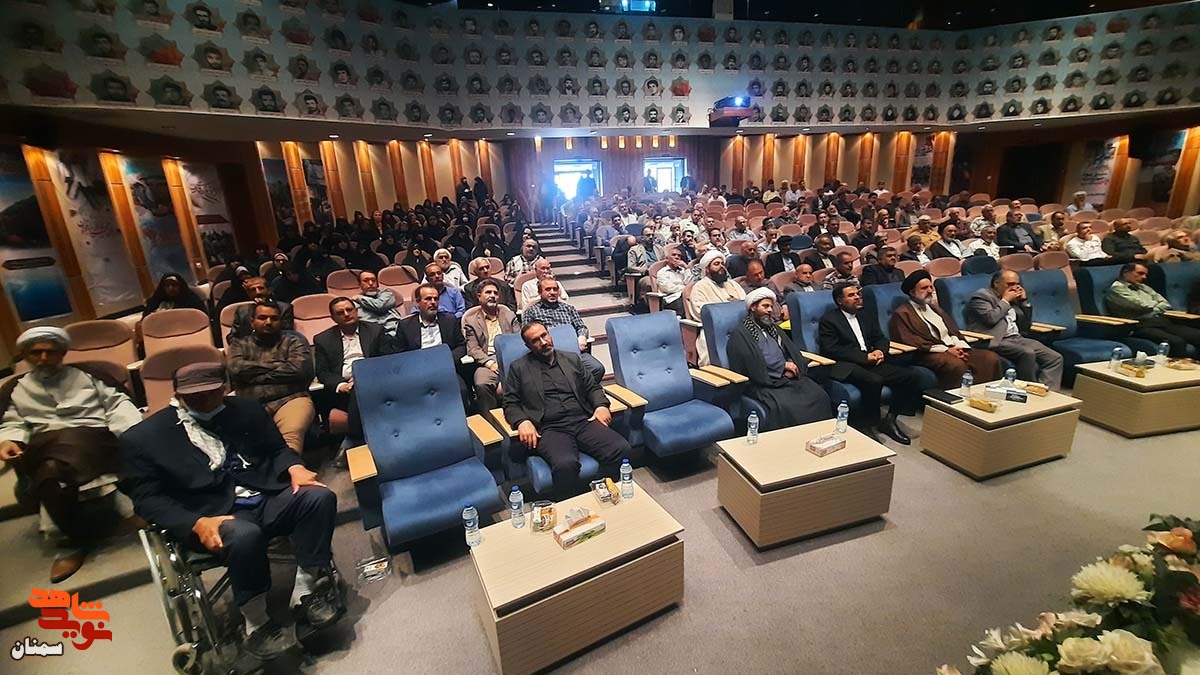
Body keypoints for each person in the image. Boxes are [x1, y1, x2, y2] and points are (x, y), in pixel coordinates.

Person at [120, 363, 341, 662]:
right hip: (209, 512)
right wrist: (194, 522)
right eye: (193, 396)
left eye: (210, 394)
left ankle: (305, 592)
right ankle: (256, 623)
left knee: (318, 497)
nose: (203, 401)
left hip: (264, 494)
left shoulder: (246, 410)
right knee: (244, 534)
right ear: (178, 395)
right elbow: (147, 500)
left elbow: (277, 450)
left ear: (224, 389)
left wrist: (294, 467)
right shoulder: (142, 438)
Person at [1, 327, 143, 582]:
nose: (43, 358)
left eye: (50, 352)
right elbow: (13, 423)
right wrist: (8, 441)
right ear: (25, 355)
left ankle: (69, 544)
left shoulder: (89, 376)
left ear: (63, 353)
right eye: (36, 353)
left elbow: (118, 404)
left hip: (95, 437)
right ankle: (116, 517)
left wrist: (130, 430)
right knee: (52, 466)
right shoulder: (16, 388)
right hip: (44, 446)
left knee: (54, 467)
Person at [502, 322, 631, 500]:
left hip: (582, 420)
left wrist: (601, 406)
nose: (543, 342)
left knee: (620, 448)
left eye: (544, 335)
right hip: (550, 428)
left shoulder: (571, 359)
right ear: (528, 346)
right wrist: (522, 421)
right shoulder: (519, 368)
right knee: (565, 464)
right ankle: (568, 504)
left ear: (549, 334)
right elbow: (510, 402)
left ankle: (605, 494)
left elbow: (592, 388)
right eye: (535, 340)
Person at [817, 284, 920, 444]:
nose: (857, 297)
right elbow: (831, 349)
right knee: (874, 380)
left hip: (870, 360)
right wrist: (865, 358)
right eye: (851, 295)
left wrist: (880, 351)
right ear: (840, 301)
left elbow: (880, 338)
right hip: (846, 364)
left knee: (909, 376)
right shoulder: (829, 320)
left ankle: (890, 419)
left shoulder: (865, 315)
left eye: (858, 294)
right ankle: (868, 424)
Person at [726, 289, 831, 430]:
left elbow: (791, 350)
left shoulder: (774, 328)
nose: (770, 310)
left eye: (771, 306)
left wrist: (792, 363)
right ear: (753, 307)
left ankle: (821, 435)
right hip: (763, 383)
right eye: (765, 306)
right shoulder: (741, 334)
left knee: (819, 395)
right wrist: (782, 367)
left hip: (787, 378)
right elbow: (749, 362)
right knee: (787, 406)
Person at [227, 303, 316, 454]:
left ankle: (290, 466)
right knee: (248, 447)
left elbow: (299, 370)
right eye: (262, 318)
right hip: (249, 403)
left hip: (290, 399)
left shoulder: (294, 341)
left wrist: (252, 376)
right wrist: (280, 365)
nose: (268, 322)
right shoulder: (239, 344)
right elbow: (236, 369)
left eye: (274, 318)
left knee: (290, 440)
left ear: (280, 322)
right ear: (252, 322)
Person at [889, 271, 1002, 388]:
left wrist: (959, 347)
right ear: (912, 292)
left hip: (951, 348)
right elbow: (912, 341)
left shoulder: (935, 308)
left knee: (989, 358)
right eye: (924, 288)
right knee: (956, 365)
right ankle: (952, 397)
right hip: (926, 354)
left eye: (931, 287)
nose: (930, 291)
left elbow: (952, 331)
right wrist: (946, 350)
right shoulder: (902, 313)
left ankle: (983, 394)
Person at [964, 271, 1064, 390]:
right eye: (1010, 284)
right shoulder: (982, 297)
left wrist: (1024, 302)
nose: (1015, 288)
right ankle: (1029, 391)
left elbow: (1026, 326)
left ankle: (1048, 392)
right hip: (994, 339)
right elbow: (991, 318)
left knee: (1054, 358)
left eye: (1017, 284)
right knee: (1027, 353)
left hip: (1016, 338)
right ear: (996, 283)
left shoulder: (1014, 299)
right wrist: (1006, 301)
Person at [313, 296, 392, 446]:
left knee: (359, 387)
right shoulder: (323, 339)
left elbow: (385, 361)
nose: (346, 314)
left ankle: (353, 440)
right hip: (344, 391)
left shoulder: (375, 331)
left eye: (349, 310)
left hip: (373, 382)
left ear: (356, 311)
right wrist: (340, 385)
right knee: (356, 390)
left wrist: (361, 379)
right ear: (333, 318)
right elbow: (322, 372)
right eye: (340, 312)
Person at [394, 284, 471, 402]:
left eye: (436, 299)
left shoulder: (449, 320)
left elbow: (461, 345)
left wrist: (448, 358)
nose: (433, 302)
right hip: (418, 372)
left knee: (462, 391)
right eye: (428, 299)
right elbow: (400, 354)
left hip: (445, 369)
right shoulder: (405, 325)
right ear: (418, 303)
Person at [1105, 262, 1200, 357]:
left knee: (1197, 335)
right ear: (1126, 272)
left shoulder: (1143, 287)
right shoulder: (1117, 289)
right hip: (1139, 325)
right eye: (1140, 273)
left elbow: (1165, 303)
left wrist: (1154, 307)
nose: (1144, 277)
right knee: (1177, 342)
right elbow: (1143, 306)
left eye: (1145, 274)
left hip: (1161, 322)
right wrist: (1157, 306)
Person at [523, 277, 606, 383]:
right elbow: (527, 335)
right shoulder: (531, 311)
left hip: (573, 351)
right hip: (548, 352)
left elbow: (581, 327)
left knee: (597, 368)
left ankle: (580, 390)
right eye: (548, 289)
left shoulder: (568, 308)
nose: (552, 292)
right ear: (540, 292)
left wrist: (582, 337)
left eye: (555, 289)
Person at [462, 279, 521, 411]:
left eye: (495, 293)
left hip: (511, 358)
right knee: (482, 384)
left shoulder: (508, 314)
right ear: (479, 296)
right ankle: (490, 419)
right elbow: (473, 349)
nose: (493, 295)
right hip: (487, 360)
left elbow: (518, 339)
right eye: (488, 292)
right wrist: (490, 364)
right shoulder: (471, 320)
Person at [689, 250, 746, 366]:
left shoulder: (733, 284)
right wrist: (729, 310)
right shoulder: (699, 287)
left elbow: (745, 304)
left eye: (722, 264)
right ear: (707, 269)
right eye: (716, 264)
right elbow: (700, 312)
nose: (721, 267)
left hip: (739, 326)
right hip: (714, 329)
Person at [228, 277, 295, 342]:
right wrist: (244, 345)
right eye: (253, 289)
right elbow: (232, 337)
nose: (258, 292)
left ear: (269, 290)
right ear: (248, 294)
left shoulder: (284, 308)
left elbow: (287, 335)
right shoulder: (242, 310)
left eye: (261, 288)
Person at [353, 270, 402, 334]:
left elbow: (379, 305)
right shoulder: (355, 304)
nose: (370, 283)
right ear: (359, 284)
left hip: (395, 331)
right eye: (365, 281)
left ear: (377, 283)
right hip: (372, 335)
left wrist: (359, 298)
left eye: (373, 280)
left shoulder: (387, 294)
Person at [655, 246, 689, 315]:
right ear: (667, 258)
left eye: (679, 256)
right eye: (674, 255)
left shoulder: (683, 270)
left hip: (685, 296)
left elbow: (690, 282)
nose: (677, 257)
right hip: (671, 299)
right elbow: (668, 288)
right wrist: (685, 289)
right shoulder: (662, 272)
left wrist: (686, 267)